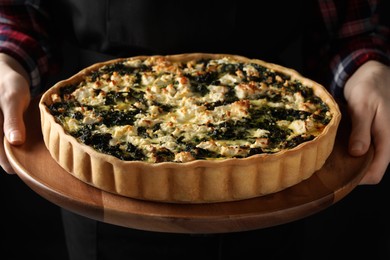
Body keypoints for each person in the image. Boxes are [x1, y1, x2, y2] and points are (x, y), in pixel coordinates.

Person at [0, 0, 389, 259]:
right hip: (102, 193)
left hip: (279, 195)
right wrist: (7, 58)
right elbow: (20, 9)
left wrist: (366, 66)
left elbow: (350, 23)